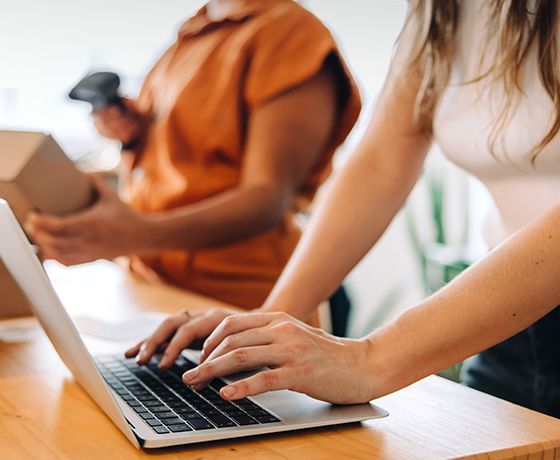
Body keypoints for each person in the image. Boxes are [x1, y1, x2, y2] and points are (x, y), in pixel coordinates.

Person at [126, 0, 560, 418]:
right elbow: (381, 163)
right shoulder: (439, 9)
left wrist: (371, 360)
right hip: (512, 325)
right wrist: (269, 319)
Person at [25, 0, 360, 313]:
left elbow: (267, 199)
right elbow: (181, 152)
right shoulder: (188, 38)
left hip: (238, 304)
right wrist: (133, 134)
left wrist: (131, 235)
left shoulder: (289, 34)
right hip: (152, 289)